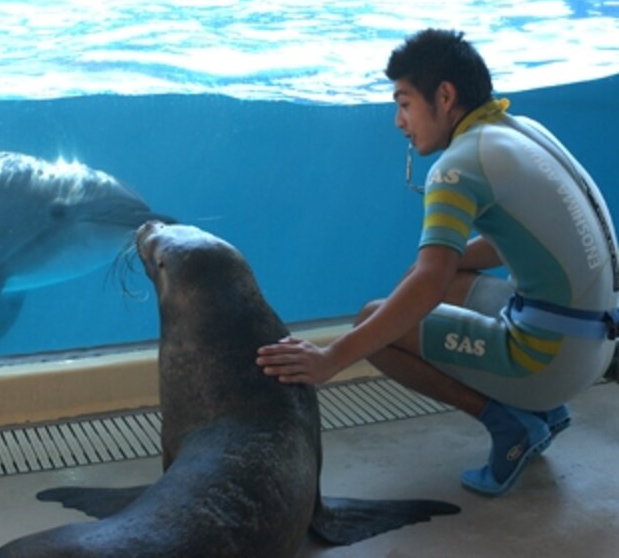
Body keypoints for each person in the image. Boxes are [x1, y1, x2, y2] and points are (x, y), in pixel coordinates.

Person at [256, 28, 618, 496]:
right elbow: (511, 246)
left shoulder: (458, 166)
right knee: (428, 284)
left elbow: (430, 282)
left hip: (550, 362)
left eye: (404, 103)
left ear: (444, 95)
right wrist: (428, 270)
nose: (398, 121)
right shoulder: (523, 132)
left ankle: (512, 424)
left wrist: (331, 358)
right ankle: (543, 411)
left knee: (374, 324)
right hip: (597, 344)